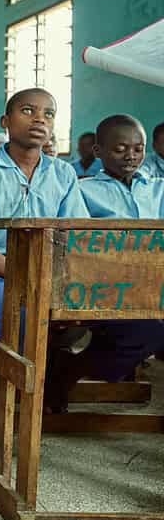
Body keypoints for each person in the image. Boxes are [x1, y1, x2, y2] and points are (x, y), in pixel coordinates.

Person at [0, 88, 88, 413]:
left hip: (51, 271)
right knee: (6, 314)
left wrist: (48, 277)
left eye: (48, 113)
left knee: (86, 315)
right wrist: (25, 276)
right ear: (5, 121)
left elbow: (74, 238)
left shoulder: (63, 173)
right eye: (28, 110)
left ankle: (46, 380)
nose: (39, 119)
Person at [56, 113, 164, 411]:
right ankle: (71, 369)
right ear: (98, 151)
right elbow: (73, 246)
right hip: (103, 288)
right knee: (147, 331)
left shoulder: (159, 188)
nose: (131, 156)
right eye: (120, 149)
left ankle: (74, 366)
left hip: (155, 285)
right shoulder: (82, 190)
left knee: (148, 329)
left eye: (138, 148)